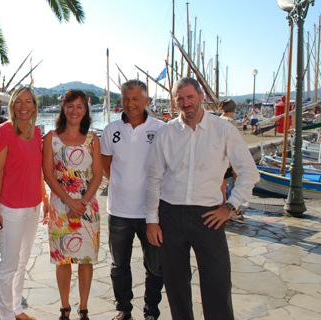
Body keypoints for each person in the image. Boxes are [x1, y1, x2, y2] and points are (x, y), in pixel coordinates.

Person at [145, 77, 259, 320]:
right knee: (176, 285)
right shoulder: (166, 133)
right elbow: (154, 178)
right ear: (175, 102)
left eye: (190, 97)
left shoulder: (223, 129)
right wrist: (151, 220)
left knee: (217, 282)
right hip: (170, 215)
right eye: (180, 99)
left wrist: (230, 207)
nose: (186, 103)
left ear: (201, 97)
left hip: (209, 216)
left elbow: (249, 172)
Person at [101, 80, 165, 320]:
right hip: (118, 211)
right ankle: (123, 310)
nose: (130, 104)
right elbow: (106, 165)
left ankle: (151, 311)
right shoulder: (111, 129)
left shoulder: (161, 129)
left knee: (156, 267)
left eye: (136, 99)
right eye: (126, 99)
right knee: (119, 266)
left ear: (146, 101)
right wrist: (123, 183)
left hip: (152, 213)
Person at [0, 86, 49, 320]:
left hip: (32, 207)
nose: (24, 106)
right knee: (9, 265)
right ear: (12, 105)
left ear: (34, 106)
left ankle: (16, 310)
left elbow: (38, 170)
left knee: (22, 262)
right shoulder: (5, 130)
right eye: (19, 102)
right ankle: (5, 315)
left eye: (28, 101)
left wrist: (44, 198)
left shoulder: (37, 132)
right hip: (10, 208)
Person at [42, 90, 102, 320]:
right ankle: (65, 307)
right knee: (63, 260)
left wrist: (83, 202)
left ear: (85, 110)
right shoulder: (51, 138)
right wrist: (69, 201)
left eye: (79, 106)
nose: (74, 110)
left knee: (85, 260)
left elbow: (97, 176)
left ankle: (84, 308)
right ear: (63, 109)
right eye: (70, 106)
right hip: (60, 207)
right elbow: (48, 175)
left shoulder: (92, 139)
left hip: (87, 208)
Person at [219, 99, 245, 223]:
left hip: (219, 160)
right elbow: (235, 143)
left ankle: (222, 208)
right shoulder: (231, 122)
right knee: (238, 181)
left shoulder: (218, 120)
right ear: (233, 110)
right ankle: (236, 212)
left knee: (221, 186)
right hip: (229, 160)